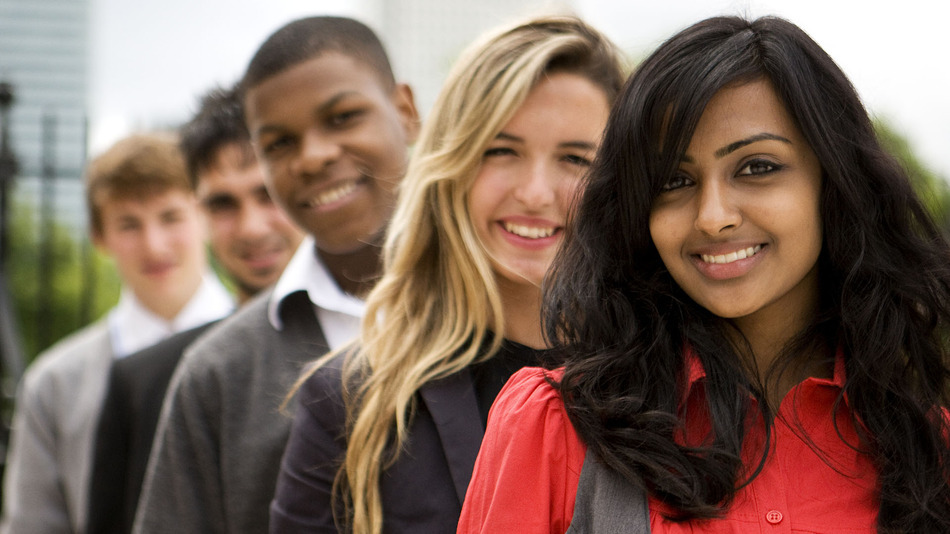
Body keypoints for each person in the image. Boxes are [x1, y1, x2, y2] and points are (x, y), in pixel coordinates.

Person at [458, 15, 950, 534]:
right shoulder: (554, 426)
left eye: (757, 167)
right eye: (674, 179)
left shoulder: (929, 453)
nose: (713, 216)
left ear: (833, 183)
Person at [270, 14, 626, 534]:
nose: (534, 192)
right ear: (453, 163)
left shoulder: (679, 382)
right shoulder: (351, 403)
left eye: (575, 159)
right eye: (502, 150)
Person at [131, 16, 419, 534]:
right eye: (279, 143)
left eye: (343, 117)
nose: (313, 156)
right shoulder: (218, 375)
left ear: (406, 111)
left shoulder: (510, 313)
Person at [85, 85, 304, 534]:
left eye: (267, 194)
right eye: (222, 203)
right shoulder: (148, 380)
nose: (251, 227)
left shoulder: (403, 340)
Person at [0, 133, 235, 534]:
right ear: (99, 237)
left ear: (205, 217)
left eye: (170, 217)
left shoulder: (267, 351)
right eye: (129, 224)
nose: (154, 245)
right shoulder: (56, 383)